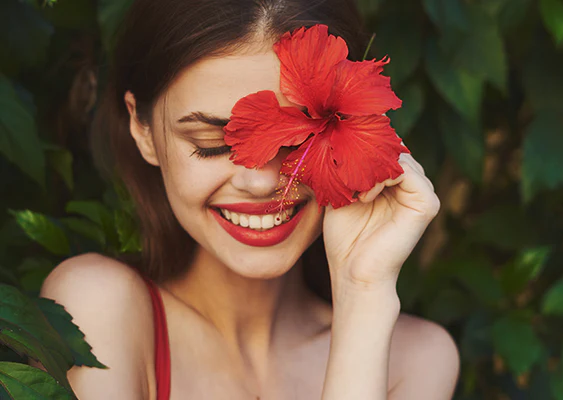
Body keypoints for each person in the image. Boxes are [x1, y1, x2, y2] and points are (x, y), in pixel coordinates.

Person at [40, 0, 459, 398]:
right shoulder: (96, 308)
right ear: (143, 129)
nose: (260, 184)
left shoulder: (416, 360)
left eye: (299, 141)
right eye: (212, 143)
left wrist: (362, 293)